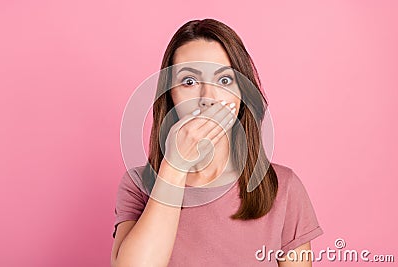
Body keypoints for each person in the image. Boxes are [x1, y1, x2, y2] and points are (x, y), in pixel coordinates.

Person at [111, 18, 323, 267]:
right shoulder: (138, 185)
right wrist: (175, 167)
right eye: (189, 81)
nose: (207, 98)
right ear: (170, 96)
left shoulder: (283, 187)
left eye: (224, 81)